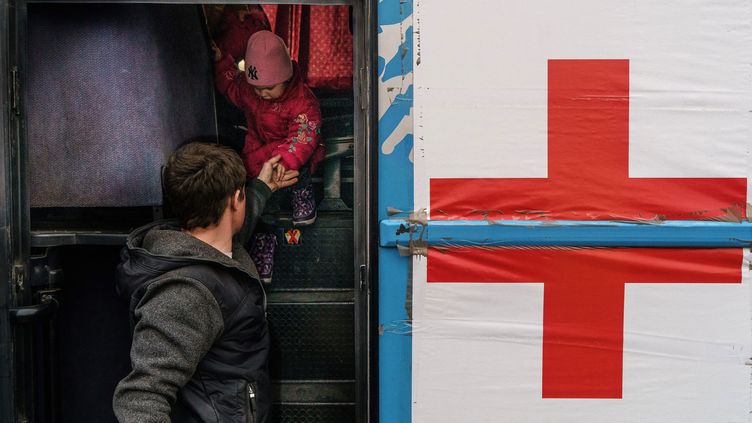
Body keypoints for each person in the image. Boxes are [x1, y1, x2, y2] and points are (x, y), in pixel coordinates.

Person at [112, 142, 298, 423]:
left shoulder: (210, 252)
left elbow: (233, 229)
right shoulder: (187, 292)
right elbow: (141, 397)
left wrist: (261, 187)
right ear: (235, 200)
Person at [213, 29, 325, 283]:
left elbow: (303, 138)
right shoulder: (249, 90)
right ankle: (264, 247)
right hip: (259, 151)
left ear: (285, 77)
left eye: (270, 88)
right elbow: (231, 84)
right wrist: (221, 61)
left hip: (291, 151)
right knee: (264, 201)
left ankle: (303, 193)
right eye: (257, 88)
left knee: (299, 164)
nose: (262, 93)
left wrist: (284, 163)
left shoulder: (303, 103)